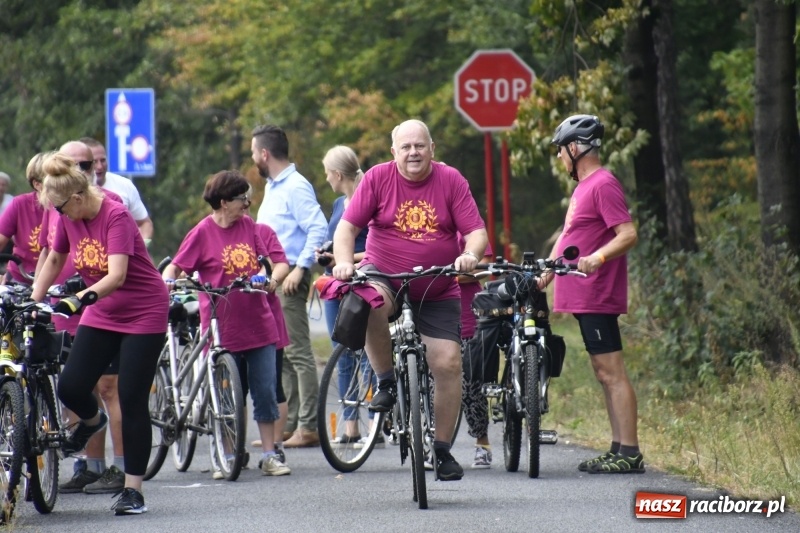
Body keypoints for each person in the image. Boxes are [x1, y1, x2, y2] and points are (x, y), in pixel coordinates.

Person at [331, 119, 488, 480]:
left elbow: (476, 231)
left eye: (420, 146)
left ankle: (444, 450)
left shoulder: (451, 180)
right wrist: (343, 263)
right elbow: (347, 228)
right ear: (394, 152)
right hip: (385, 274)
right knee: (365, 300)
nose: (414, 152)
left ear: (432, 149)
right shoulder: (376, 178)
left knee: (448, 363)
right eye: (406, 147)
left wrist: (470, 255)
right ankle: (386, 380)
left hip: (437, 285)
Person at [31, 152, 168, 515]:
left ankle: (133, 490)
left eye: (61, 208)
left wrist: (78, 299)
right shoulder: (67, 215)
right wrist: (34, 299)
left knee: (131, 396)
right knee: (71, 386)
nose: (58, 215)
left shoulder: (115, 214)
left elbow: (118, 275)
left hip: (143, 311)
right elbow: (56, 258)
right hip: (104, 311)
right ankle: (93, 421)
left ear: (76, 198)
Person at [162, 170, 290, 477]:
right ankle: (228, 455)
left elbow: (269, 260)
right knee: (226, 395)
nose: (247, 204)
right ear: (223, 202)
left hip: (258, 323)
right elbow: (175, 268)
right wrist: (169, 284)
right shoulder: (202, 232)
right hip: (221, 326)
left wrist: (269, 279)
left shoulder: (249, 226)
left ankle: (270, 455)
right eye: (241, 198)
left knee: (265, 392)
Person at [546, 114, 642, 474]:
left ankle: (630, 451)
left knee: (611, 371)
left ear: (575, 148)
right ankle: (618, 448)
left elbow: (628, 233)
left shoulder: (602, 183)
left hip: (597, 292)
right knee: (603, 372)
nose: (559, 158)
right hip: (584, 295)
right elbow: (569, 234)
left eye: (560, 151)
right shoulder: (583, 187)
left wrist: (598, 257)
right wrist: (547, 271)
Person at [54, 141, 127, 495]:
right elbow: (51, 258)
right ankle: (91, 467)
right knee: (77, 388)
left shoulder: (112, 204)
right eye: (79, 164)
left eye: (91, 163)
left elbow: (122, 265)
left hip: (109, 305)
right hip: (69, 305)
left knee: (111, 388)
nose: (88, 169)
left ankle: (123, 469)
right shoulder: (56, 203)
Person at [252, 125, 327, 448]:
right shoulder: (273, 186)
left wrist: (301, 268)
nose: (253, 158)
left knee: (298, 353)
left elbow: (319, 227)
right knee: (281, 354)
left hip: (290, 279)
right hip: (273, 279)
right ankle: (290, 423)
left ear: (265, 154)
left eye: (254, 152)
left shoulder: (295, 186)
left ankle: (308, 426)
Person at [314, 145, 374, 446]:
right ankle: (350, 425)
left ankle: (375, 422)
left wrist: (346, 258)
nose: (326, 179)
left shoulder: (368, 199)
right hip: (334, 283)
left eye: (327, 174)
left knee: (367, 351)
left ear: (338, 174)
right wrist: (327, 254)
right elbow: (337, 239)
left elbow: (377, 247)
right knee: (342, 351)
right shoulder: (339, 203)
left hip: (358, 280)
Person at [457, 236, 494, 469]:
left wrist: (451, 277)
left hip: (467, 319)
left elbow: (486, 263)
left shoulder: (467, 231)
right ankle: (431, 443)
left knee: (471, 386)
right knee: (430, 385)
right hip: (429, 317)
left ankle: (482, 442)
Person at [79, 137, 154, 244]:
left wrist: (142, 248)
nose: (100, 166)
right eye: (94, 162)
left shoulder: (125, 185)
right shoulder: (74, 193)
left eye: (103, 160)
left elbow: (145, 223)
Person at [0, 156, 45, 284]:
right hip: (22, 277)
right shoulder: (20, 204)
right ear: (37, 184)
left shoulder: (67, 207)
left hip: (58, 281)